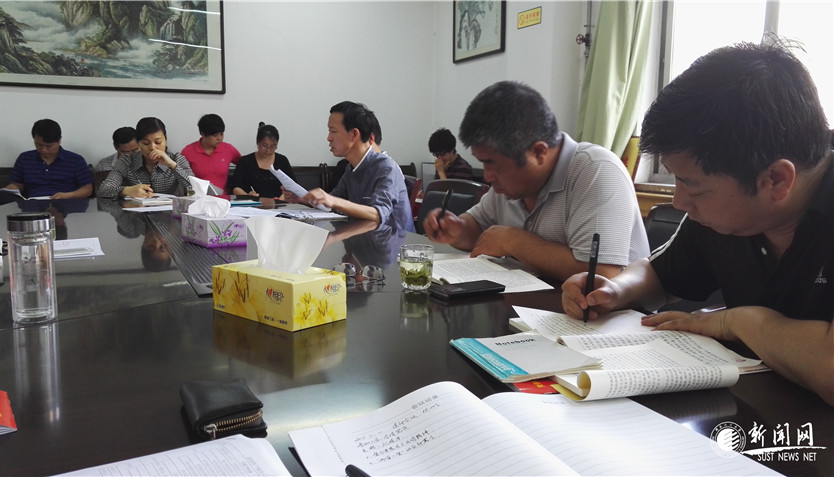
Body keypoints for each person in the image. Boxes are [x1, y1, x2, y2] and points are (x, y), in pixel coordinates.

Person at [560, 42, 834, 406]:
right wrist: (615, 290)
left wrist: (736, 322)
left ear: (776, 180)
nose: (678, 202)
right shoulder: (723, 215)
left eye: (692, 186)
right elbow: (661, 274)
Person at [423, 81, 649, 282]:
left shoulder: (595, 170)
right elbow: (478, 228)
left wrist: (513, 241)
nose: (488, 176)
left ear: (539, 152)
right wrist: (457, 229)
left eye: (493, 163)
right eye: (483, 162)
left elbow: (601, 274)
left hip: (612, 315)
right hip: (537, 305)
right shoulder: (509, 185)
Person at [286, 101, 414, 231]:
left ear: (354, 134)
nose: (328, 138)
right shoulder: (351, 168)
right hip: (364, 238)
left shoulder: (386, 167)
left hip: (397, 241)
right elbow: (331, 202)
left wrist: (332, 201)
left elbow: (378, 214)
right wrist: (303, 198)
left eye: (333, 131)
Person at [97, 117, 194, 198]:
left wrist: (173, 166)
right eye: (146, 143)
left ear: (165, 140)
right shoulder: (127, 161)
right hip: (136, 213)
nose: (152, 147)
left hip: (169, 213)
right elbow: (103, 190)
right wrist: (127, 190)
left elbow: (196, 190)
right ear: (138, 143)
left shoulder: (177, 159)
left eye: (158, 142)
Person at [0, 119, 93, 201]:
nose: (43, 150)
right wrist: (5, 191)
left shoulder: (75, 160)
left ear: (59, 140)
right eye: (38, 144)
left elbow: (87, 189)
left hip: (66, 204)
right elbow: (18, 185)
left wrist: (68, 195)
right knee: (3, 198)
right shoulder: (25, 158)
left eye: (49, 146)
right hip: (32, 206)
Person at [229, 123, 296, 199]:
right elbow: (236, 187)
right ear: (257, 143)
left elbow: (293, 187)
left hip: (280, 204)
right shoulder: (246, 161)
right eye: (264, 146)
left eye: (272, 146)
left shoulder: (282, 161)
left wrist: (281, 199)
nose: (268, 150)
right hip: (253, 204)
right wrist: (248, 197)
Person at [180, 113, 241, 193]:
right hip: (198, 197)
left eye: (221, 134)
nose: (219, 138)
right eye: (215, 135)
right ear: (202, 133)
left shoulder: (228, 149)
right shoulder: (188, 152)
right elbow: (180, 178)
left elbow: (245, 166)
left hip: (222, 198)